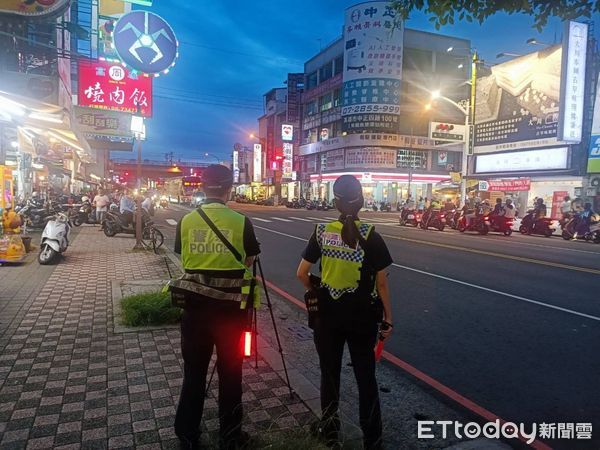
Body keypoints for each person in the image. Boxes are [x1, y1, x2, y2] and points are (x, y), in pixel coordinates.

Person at [296, 175, 393, 450]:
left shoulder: (321, 232)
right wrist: (389, 319)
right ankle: (373, 440)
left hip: (327, 316)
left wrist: (317, 289)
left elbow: (302, 273)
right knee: (366, 379)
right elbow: (382, 283)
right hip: (362, 318)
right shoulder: (372, 235)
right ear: (361, 200)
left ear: (335, 202)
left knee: (329, 375)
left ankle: (329, 433)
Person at [169, 165, 260, 450]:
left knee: (193, 374)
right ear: (228, 188)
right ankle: (231, 437)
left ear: (202, 187)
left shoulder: (186, 221)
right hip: (231, 313)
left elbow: (182, 256)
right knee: (231, 374)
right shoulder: (240, 221)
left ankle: (187, 435)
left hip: (194, 312)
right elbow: (249, 260)